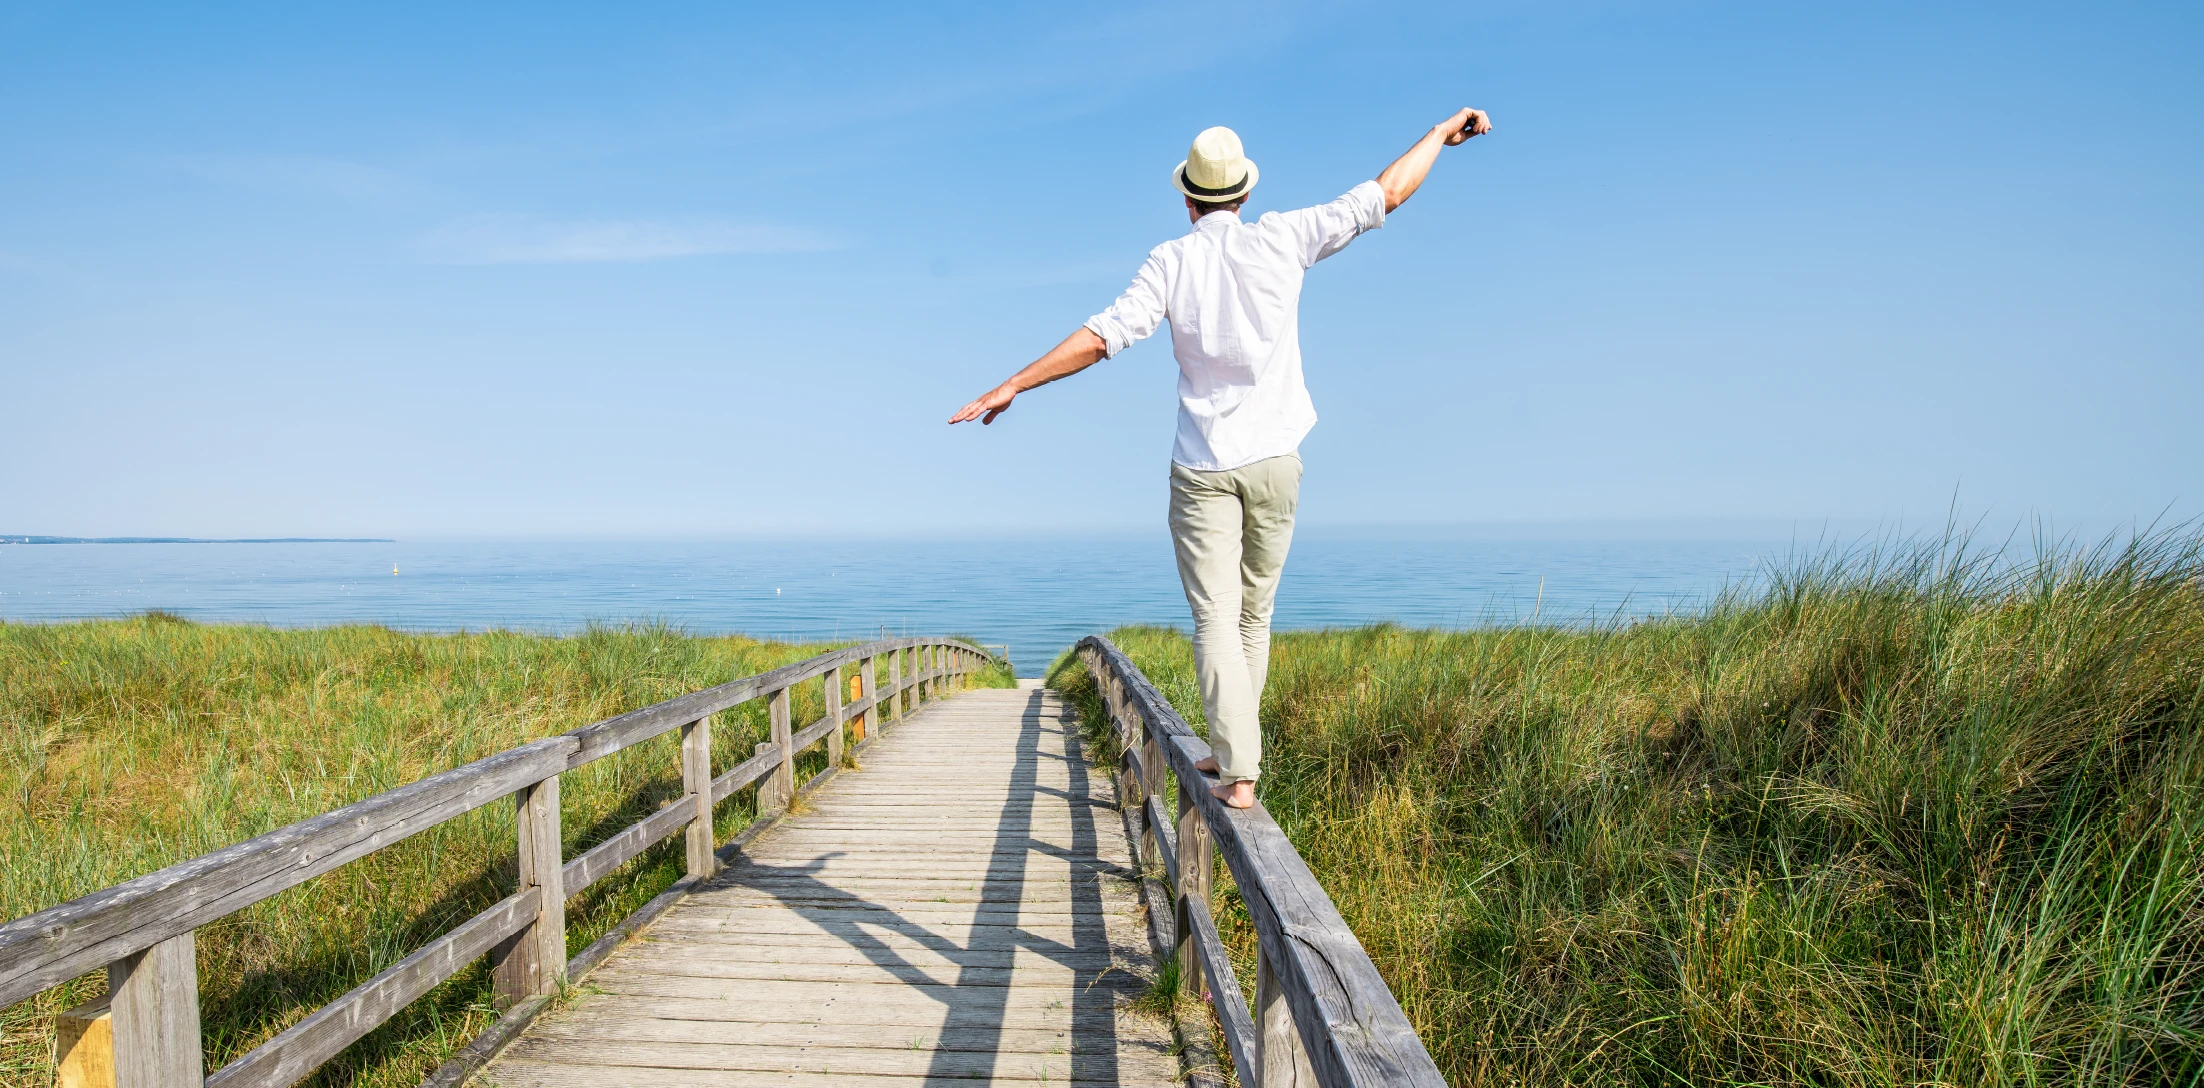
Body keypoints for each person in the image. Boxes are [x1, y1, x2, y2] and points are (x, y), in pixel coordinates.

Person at [949, 108, 1493, 807]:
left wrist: (1014, 382)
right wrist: (1439, 135)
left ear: (1188, 198)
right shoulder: (1285, 236)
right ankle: (1237, 756)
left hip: (1202, 466)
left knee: (1215, 619)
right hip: (1276, 460)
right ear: (1244, 193)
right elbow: (1386, 192)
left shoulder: (1171, 262)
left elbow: (1103, 336)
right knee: (1253, 618)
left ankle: (1238, 764)